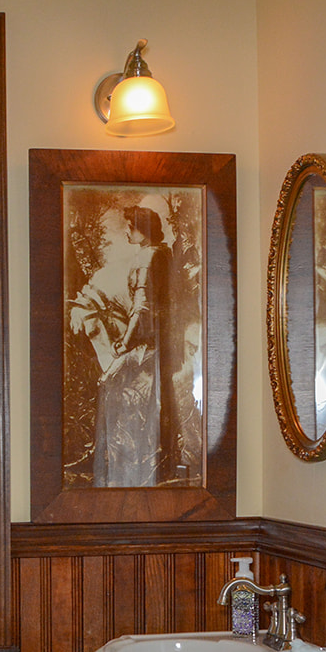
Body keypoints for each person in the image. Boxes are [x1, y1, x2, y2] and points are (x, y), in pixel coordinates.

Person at [94, 205, 180, 486]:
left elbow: (142, 308)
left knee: (124, 400)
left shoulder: (148, 256)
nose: (128, 232)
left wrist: (124, 343)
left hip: (145, 348)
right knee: (151, 408)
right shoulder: (163, 254)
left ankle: (129, 477)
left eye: (131, 227)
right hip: (161, 345)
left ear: (142, 230)